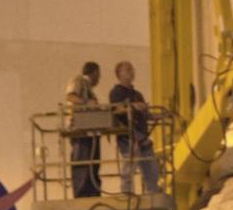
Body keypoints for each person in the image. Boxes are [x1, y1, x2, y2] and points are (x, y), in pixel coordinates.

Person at [108, 60, 161, 194]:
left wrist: (156, 116)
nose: (131, 72)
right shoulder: (116, 92)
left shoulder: (137, 94)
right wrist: (132, 107)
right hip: (128, 137)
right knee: (129, 168)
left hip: (143, 137)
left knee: (151, 168)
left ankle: (153, 193)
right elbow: (116, 110)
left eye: (132, 69)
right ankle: (127, 194)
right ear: (118, 74)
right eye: (127, 69)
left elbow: (145, 113)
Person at [65, 61, 102, 198]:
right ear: (94, 73)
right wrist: (87, 103)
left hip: (90, 131)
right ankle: (82, 193)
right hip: (80, 130)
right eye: (98, 75)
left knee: (92, 164)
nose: (99, 78)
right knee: (82, 163)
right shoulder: (78, 80)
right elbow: (70, 96)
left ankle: (92, 192)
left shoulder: (89, 89)